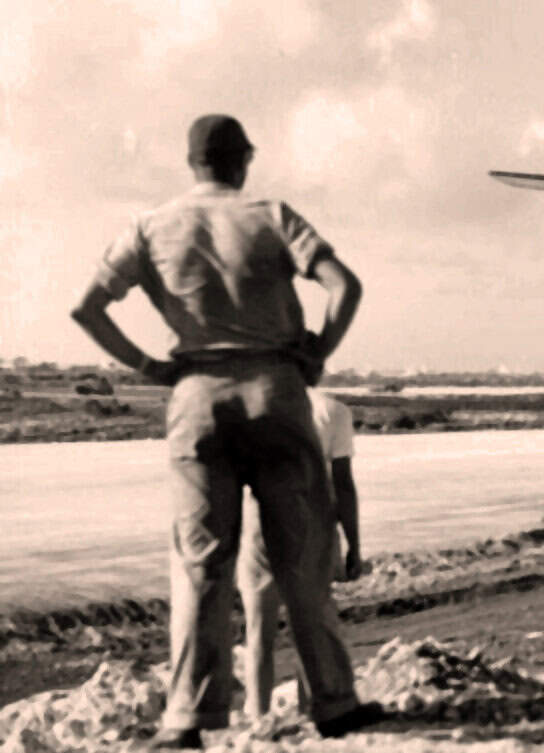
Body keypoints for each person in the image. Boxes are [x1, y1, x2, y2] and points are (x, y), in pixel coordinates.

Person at [69, 114, 380, 748]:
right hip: (277, 392)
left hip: (197, 398)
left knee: (200, 567)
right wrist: (318, 352)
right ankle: (335, 705)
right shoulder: (271, 213)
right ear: (245, 160)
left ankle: (188, 721)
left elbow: (87, 307)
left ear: (192, 163)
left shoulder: (151, 225)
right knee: (304, 558)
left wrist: (151, 367)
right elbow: (345, 286)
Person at [237, 388, 362, 717]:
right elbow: (343, 483)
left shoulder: (250, 406)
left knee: (258, 630)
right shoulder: (332, 411)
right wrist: (354, 545)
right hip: (310, 525)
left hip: (259, 522)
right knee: (311, 629)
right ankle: (311, 714)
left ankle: (258, 719)